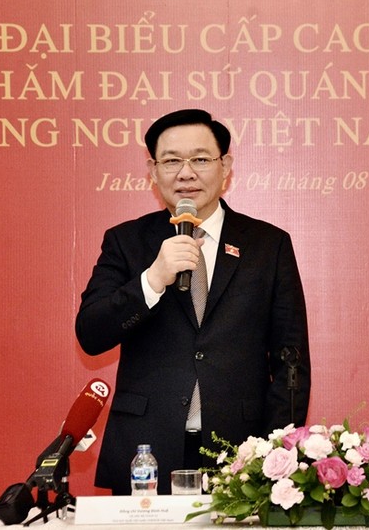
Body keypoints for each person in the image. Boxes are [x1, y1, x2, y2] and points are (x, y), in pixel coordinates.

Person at [75, 108, 311, 495]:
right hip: (146, 449)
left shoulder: (268, 245)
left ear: (225, 166)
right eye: (171, 161)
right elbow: (90, 333)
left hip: (241, 449)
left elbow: (291, 359)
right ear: (153, 172)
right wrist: (153, 279)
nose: (186, 173)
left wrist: (277, 450)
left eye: (201, 159)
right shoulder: (125, 242)